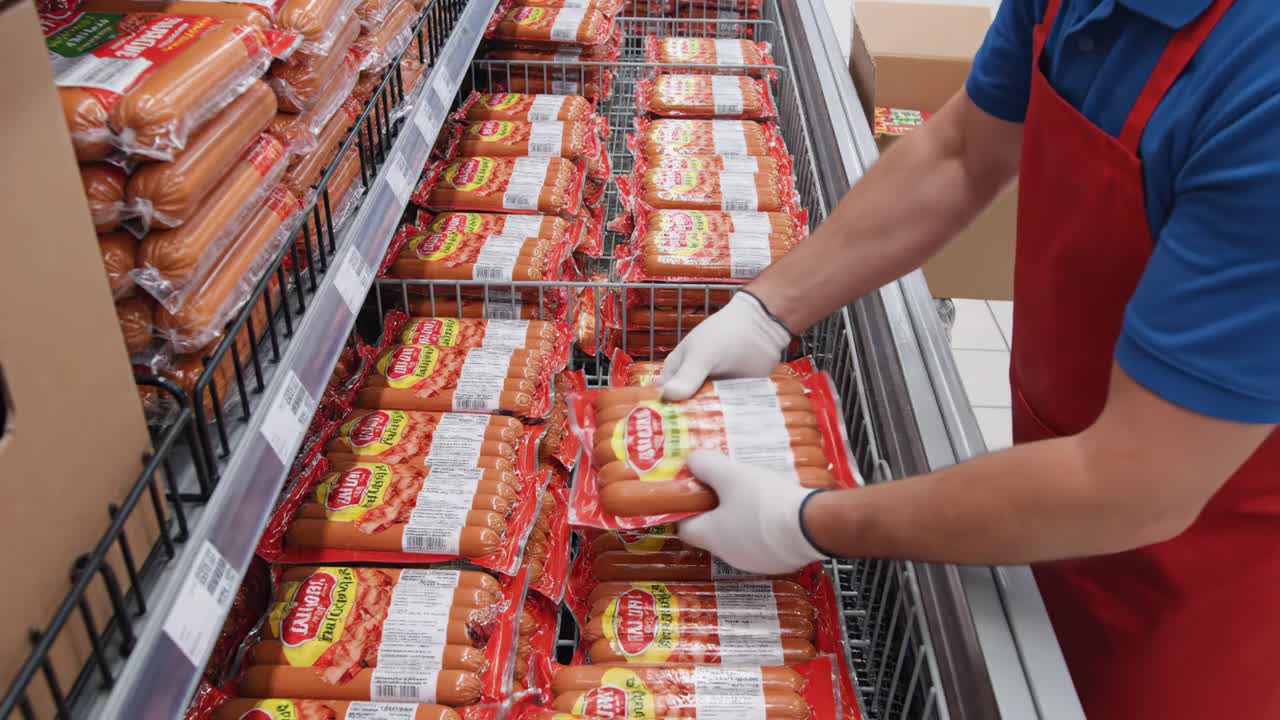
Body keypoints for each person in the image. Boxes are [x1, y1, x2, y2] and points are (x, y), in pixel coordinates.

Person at [660, 0, 1280, 717]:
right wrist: (768, 308)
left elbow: (1135, 487)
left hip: (1201, 587)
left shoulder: (1261, 89)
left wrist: (811, 522)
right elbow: (961, 149)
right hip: (1055, 489)